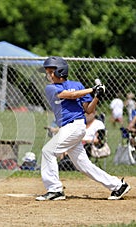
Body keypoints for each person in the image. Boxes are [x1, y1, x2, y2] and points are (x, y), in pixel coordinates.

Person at [36, 56, 130, 201]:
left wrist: (96, 97)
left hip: (75, 126)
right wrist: (92, 89)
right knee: (83, 165)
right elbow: (71, 95)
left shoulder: (78, 85)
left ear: (60, 71)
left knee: (48, 151)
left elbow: (89, 110)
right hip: (68, 128)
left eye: (50, 71)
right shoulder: (51, 88)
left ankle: (55, 189)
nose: (47, 75)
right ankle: (118, 186)